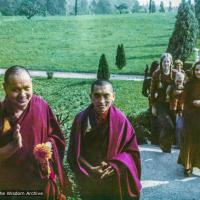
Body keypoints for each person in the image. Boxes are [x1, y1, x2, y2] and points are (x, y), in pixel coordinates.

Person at [0, 66, 70, 199]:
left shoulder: (40, 106)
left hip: (39, 182)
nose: (22, 95)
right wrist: (12, 147)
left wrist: (49, 145)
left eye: (27, 88)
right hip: (9, 187)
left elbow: (56, 136)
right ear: (5, 87)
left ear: (32, 84)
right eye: (15, 89)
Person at [67, 80, 141, 200]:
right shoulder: (81, 119)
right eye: (97, 96)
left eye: (106, 96)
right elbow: (74, 152)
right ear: (90, 97)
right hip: (89, 178)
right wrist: (91, 169)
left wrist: (115, 165)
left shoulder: (121, 121)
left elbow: (132, 153)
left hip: (113, 178)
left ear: (113, 96)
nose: (101, 101)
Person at [150, 53, 177, 153]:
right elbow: (152, 91)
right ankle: (162, 143)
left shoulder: (175, 73)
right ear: (161, 63)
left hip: (172, 103)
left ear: (171, 63)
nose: (166, 63)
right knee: (168, 125)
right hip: (160, 104)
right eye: (164, 61)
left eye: (168, 61)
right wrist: (153, 106)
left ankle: (167, 148)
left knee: (172, 126)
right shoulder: (156, 74)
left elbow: (180, 86)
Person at [178, 61, 200, 176]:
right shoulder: (189, 83)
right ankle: (187, 165)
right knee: (188, 139)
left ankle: (197, 164)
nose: (198, 72)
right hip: (190, 114)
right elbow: (183, 98)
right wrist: (181, 109)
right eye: (196, 69)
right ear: (193, 70)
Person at [166, 72, 185, 148]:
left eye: (181, 78)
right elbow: (168, 93)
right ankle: (173, 142)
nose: (179, 79)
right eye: (178, 78)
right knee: (172, 126)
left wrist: (181, 92)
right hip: (172, 109)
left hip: (181, 110)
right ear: (175, 79)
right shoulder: (172, 86)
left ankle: (179, 144)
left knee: (179, 127)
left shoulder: (184, 87)